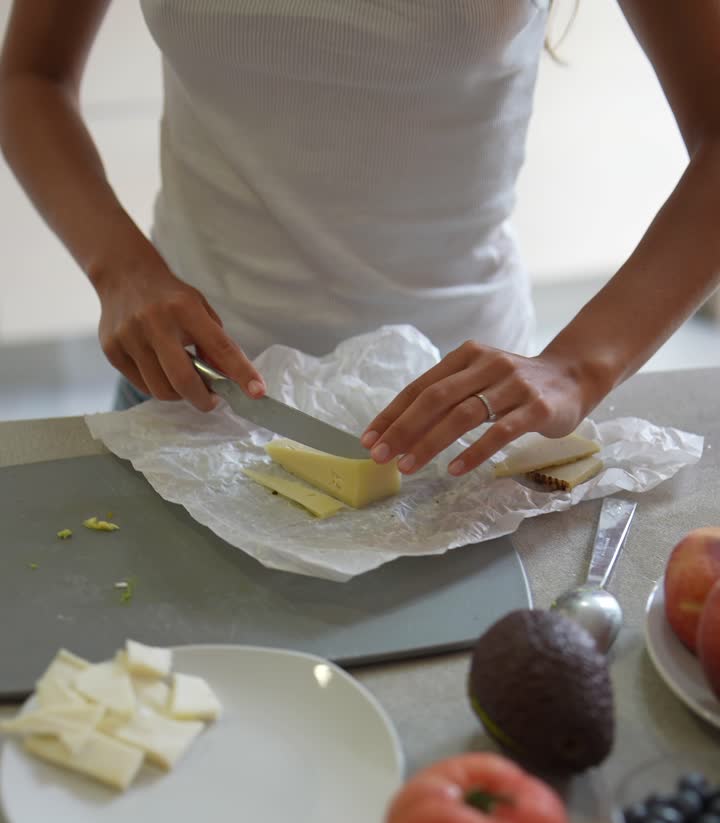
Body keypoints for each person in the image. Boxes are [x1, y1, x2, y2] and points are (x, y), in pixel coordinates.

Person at [1, 1, 719, 481]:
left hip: (458, 426)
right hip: (190, 387)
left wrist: (579, 367)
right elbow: (29, 75)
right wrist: (120, 268)